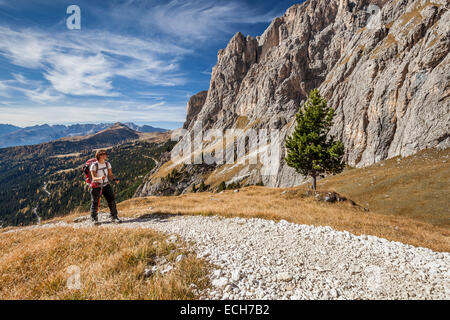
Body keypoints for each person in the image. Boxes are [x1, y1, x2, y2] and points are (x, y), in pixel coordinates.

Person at [90, 149, 121, 224]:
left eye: (105, 153)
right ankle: (94, 219)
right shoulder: (94, 165)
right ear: (98, 155)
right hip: (96, 186)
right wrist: (100, 178)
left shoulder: (107, 164)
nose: (104, 155)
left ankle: (114, 217)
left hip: (106, 185)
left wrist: (114, 179)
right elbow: (93, 178)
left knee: (111, 200)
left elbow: (110, 175)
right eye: (101, 154)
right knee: (95, 202)